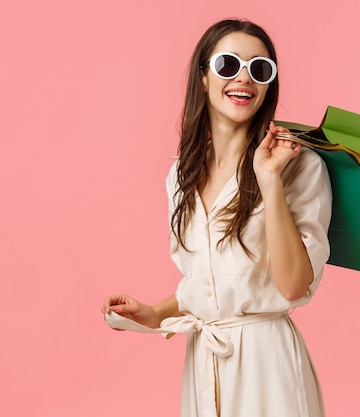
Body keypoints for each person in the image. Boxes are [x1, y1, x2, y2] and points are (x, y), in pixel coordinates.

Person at [102, 18, 332, 417]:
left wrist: (269, 180)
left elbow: (293, 285)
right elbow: (216, 280)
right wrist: (156, 313)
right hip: (204, 361)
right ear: (204, 77)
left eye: (260, 69)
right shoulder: (181, 174)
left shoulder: (299, 166)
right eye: (228, 64)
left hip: (267, 363)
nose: (243, 77)